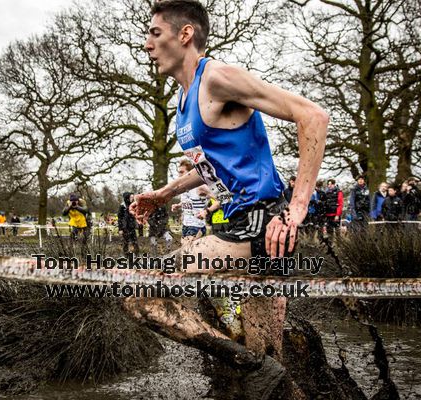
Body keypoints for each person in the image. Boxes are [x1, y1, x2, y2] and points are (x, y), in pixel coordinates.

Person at [128, 1, 329, 394]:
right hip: (247, 228)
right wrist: (164, 193)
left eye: (155, 33)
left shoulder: (217, 78)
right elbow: (209, 167)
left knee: (140, 293)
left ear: (184, 34)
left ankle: (248, 365)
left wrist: (297, 208)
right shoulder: (183, 102)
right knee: (270, 365)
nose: (147, 44)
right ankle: (258, 367)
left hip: (263, 226)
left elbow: (313, 116)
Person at [171, 159, 208, 245]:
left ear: (189, 173)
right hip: (185, 225)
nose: (179, 175)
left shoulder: (201, 187)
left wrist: (207, 211)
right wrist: (178, 205)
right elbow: (188, 202)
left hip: (197, 226)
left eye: (181, 172)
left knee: (188, 252)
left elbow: (220, 199)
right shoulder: (183, 189)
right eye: (178, 172)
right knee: (186, 253)